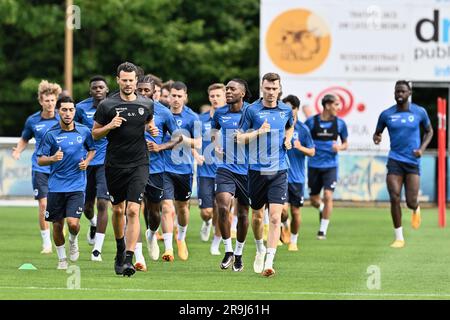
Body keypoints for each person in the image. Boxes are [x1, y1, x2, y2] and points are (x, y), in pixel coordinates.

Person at [92, 62, 157, 277]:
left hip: (139, 163)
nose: (128, 84)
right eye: (124, 80)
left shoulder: (146, 103)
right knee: (118, 210)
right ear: (118, 80)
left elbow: (148, 123)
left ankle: (129, 259)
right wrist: (109, 126)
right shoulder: (107, 105)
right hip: (114, 164)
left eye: (131, 80)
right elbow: (95, 134)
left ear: (136, 81)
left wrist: (152, 129)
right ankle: (120, 249)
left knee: (132, 210)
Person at [236, 72, 294, 277]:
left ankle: (270, 260)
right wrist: (258, 132)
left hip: (279, 169)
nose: (271, 92)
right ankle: (260, 248)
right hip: (256, 170)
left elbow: (290, 126)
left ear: (279, 89)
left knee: (276, 216)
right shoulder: (251, 110)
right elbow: (239, 138)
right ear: (262, 88)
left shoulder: (286, 110)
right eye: (267, 88)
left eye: (274, 88)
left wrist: (288, 139)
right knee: (258, 215)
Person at [37, 96, 96, 269]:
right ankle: (62, 259)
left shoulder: (84, 131)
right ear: (58, 111)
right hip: (56, 186)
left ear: (74, 111)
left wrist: (87, 162)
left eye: (71, 110)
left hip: (77, 185)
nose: (68, 113)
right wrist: (52, 158)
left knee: (73, 223)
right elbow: (40, 160)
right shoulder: (51, 134)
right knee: (57, 224)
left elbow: (92, 149)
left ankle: (73, 239)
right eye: (64, 110)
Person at [373, 80, 433, 248]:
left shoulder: (419, 112)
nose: (399, 94)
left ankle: (416, 208)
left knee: (411, 201)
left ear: (409, 93)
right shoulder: (386, 114)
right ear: (394, 93)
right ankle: (399, 237)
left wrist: (422, 149)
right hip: (395, 160)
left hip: (412, 161)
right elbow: (377, 133)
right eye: (397, 91)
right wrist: (377, 138)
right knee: (394, 197)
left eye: (403, 92)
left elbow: (429, 131)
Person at [135, 75, 180, 270]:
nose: (144, 93)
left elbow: (178, 137)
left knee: (154, 212)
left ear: (155, 91)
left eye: (147, 90)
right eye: (141, 90)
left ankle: (152, 234)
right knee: (132, 210)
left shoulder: (163, 112)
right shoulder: (127, 110)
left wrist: (160, 147)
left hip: (155, 169)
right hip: (132, 167)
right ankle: (137, 256)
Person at [12, 80, 62, 254]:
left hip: (59, 168)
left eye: (52, 100)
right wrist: (18, 151)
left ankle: (61, 237)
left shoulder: (63, 117)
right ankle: (46, 243)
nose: (49, 103)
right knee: (43, 205)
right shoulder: (33, 120)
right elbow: (25, 138)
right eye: (46, 100)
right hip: (40, 167)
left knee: (59, 205)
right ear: (41, 101)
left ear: (56, 101)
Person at [212, 79, 251, 271]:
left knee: (243, 214)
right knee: (223, 206)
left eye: (232, 89)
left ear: (242, 93)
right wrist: (216, 145)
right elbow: (213, 131)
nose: (228, 92)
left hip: (248, 170)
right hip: (225, 167)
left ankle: (239, 253)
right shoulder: (220, 113)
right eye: (226, 89)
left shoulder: (252, 111)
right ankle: (227, 250)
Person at [160, 81, 201, 262]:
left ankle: (181, 239)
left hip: (184, 169)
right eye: (172, 96)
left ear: (185, 97)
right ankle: (168, 248)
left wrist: (183, 138)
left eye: (179, 96)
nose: (175, 99)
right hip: (164, 168)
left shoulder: (193, 118)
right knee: (167, 207)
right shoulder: (161, 114)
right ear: (168, 97)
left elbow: (199, 143)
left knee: (182, 208)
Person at [74, 75, 110, 261]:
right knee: (87, 207)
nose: (98, 90)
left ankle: (97, 249)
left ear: (106, 90)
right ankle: (93, 222)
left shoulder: (114, 107)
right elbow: (75, 132)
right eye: (94, 87)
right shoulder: (80, 108)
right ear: (90, 91)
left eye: (101, 87)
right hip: (86, 162)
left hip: (106, 162)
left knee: (103, 203)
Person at [304, 94, 348, 240]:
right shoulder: (311, 122)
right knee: (314, 201)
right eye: (336, 104)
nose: (338, 107)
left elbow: (346, 144)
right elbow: (303, 138)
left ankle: (322, 230)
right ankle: (322, 209)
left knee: (328, 196)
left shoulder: (340, 124)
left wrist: (340, 147)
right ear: (327, 105)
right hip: (314, 166)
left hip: (331, 166)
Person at [281, 95, 315, 251]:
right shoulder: (279, 126)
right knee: (282, 210)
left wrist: (300, 147)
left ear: (296, 109)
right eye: (286, 107)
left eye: (292, 108)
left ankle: (294, 240)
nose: (289, 110)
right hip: (280, 175)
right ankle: (283, 225)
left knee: (295, 211)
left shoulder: (303, 129)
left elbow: (312, 151)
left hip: (297, 178)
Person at [196, 83, 226, 254]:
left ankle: (216, 243)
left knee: (221, 208)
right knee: (207, 212)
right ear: (209, 98)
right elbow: (191, 140)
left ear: (224, 97)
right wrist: (195, 154)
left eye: (218, 96)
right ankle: (207, 222)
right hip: (205, 172)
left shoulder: (231, 118)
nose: (215, 99)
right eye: (212, 96)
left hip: (224, 172)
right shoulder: (200, 119)